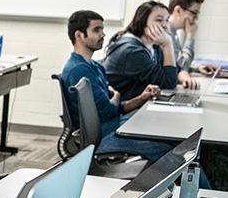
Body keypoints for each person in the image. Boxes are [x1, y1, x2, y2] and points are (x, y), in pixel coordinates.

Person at [60, 10, 171, 162]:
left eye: (102, 29)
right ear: (79, 35)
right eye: (96, 30)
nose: (103, 34)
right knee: (167, 149)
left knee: (162, 133)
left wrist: (141, 98)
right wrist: (117, 97)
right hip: (102, 138)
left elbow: (114, 109)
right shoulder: (78, 70)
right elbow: (108, 112)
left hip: (111, 127)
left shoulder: (94, 66)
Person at [104, 0, 179, 100]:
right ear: (143, 22)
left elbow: (174, 70)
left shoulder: (152, 46)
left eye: (167, 20)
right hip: (122, 110)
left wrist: (184, 76)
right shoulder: (132, 52)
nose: (165, 25)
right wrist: (167, 45)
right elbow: (169, 83)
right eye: (159, 20)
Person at [167, 0, 214, 86]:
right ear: (178, 10)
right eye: (194, 13)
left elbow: (177, 64)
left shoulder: (173, 32)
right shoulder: (166, 34)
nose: (196, 18)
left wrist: (197, 68)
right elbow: (182, 66)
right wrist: (190, 36)